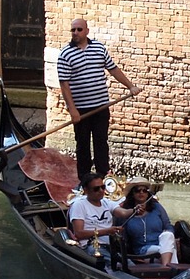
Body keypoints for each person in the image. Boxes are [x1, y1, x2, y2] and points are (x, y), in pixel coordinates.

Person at [56, 17, 141, 181]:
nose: (75, 32)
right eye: (73, 30)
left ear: (86, 31)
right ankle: (85, 179)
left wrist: (130, 86)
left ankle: (104, 177)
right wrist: (72, 109)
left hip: (101, 106)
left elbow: (113, 70)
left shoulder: (99, 48)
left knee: (101, 142)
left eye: (79, 29)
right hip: (81, 109)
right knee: (82, 145)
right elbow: (64, 85)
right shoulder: (65, 54)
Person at [116, 177, 177, 265]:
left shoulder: (157, 207)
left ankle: (165, 267)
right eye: (137, 190)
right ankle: (170, 269)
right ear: (132, 194)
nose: (141, 192)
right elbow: (121, 235)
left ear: (148, 194)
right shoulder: (125, 212)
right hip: (143, 252)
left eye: (144, 190)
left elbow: (168, 226)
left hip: (162, 245)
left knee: (168, 235)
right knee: (170, 251)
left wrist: (168, 237)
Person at [67, 171, 133, 253]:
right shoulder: (79, 205)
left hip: (111, 246)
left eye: (103, 187)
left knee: (129, 264)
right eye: (96, 189)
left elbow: (124, 213)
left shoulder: (106, 202)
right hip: (91, 246)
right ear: (86, 190)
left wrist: (135, 210)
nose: (101, 190)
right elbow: (79, 234)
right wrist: (107, 231)